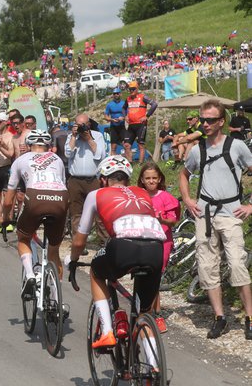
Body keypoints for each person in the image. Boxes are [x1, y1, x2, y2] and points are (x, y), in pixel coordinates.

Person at [68, 155, 166, 349]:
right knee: (143, 314)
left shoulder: (96, 194)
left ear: (103, 179)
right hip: (156, 249)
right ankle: (153, 370)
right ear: (128, 180)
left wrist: (73, 259)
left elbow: (79, 241)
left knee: (96, 271)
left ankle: (106, 332)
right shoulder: (143, 192)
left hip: (123, 246)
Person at [179, 99, 252, 340]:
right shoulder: (197, 149)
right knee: (207, 267)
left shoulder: (237, 146)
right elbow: (184, 174)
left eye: (210, 120)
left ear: (221, 122)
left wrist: (250, 206)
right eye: (203, 119)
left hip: (231, 212)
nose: (205, 124)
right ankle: (219, 317)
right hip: (205, 213)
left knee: (237, 264)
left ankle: (250, 317)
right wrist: (188, 200)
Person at [2, 130, 68, 309]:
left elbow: (8, 200)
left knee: (24, 237)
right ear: (47, 145)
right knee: (53, 250)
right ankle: (57, 301)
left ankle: (30, 274)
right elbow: (61, 184)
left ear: (29, 145)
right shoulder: (57, 159)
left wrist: (5, 218)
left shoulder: (20, 160)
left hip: (35, 197)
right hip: (60, 198)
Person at [138, 162, 180, 333]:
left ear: (160, 178)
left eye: (154, 178)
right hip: (142, 240)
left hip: (162, 241)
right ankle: (146, 311)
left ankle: (156, 313)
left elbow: (173, 220)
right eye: (148, 178)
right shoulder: (138, 196)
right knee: (144, 276)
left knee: (155, 276)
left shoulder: (165, 197)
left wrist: (162, 220)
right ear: (142, 179)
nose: (151, 181)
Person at [64, 113, 107, 246]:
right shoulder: (71, 137)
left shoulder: (98, 136)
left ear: (89, 125)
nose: (81, 128)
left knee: (99, 212)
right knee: (76, 212)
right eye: (78, 125)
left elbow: (101, 155)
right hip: (75, 180)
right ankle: (78, 243)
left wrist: (89, 139)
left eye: (84, 125)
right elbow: (67, 153)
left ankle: (104, 242)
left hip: (92, 180)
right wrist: (73, 136)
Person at [122, 81, 157, 163]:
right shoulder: (128, 99)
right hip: (131, 125)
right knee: (126, 145)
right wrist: (125, 116)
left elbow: (154, 104)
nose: (131, 91)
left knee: (140, 145)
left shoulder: (143, 97)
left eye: (133, 89)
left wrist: (147, 116)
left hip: (141, 124)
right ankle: (130, 163)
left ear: (137, 89)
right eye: (130, 89)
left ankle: (140, 164)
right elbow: (123, 108)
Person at [104, 88, 127, 155]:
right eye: (114, 94)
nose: (116, 95)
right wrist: (111, 119)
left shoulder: (124, 103)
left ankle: (128, 161)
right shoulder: (109, 105)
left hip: (122, 126)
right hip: (113, 126)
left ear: (120, 94)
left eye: (117, 93)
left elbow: (128, 115)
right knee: (113, 147)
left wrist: (123, 118)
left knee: (126, 145)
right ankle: (113, 161)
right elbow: (106, 116)